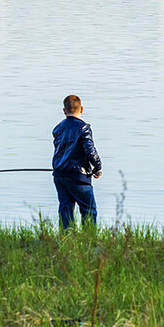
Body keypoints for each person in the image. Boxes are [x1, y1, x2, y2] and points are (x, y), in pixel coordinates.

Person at [52, 94, 102, 228]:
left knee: (65, 208)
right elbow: (90, 150)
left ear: (64, 110)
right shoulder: (83, 128)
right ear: (81, 109)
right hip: (79, 176)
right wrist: (97, 166)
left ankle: (66, 238)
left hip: (60, 174)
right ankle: (89, 239)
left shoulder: (57, 128)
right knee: (89, 210)